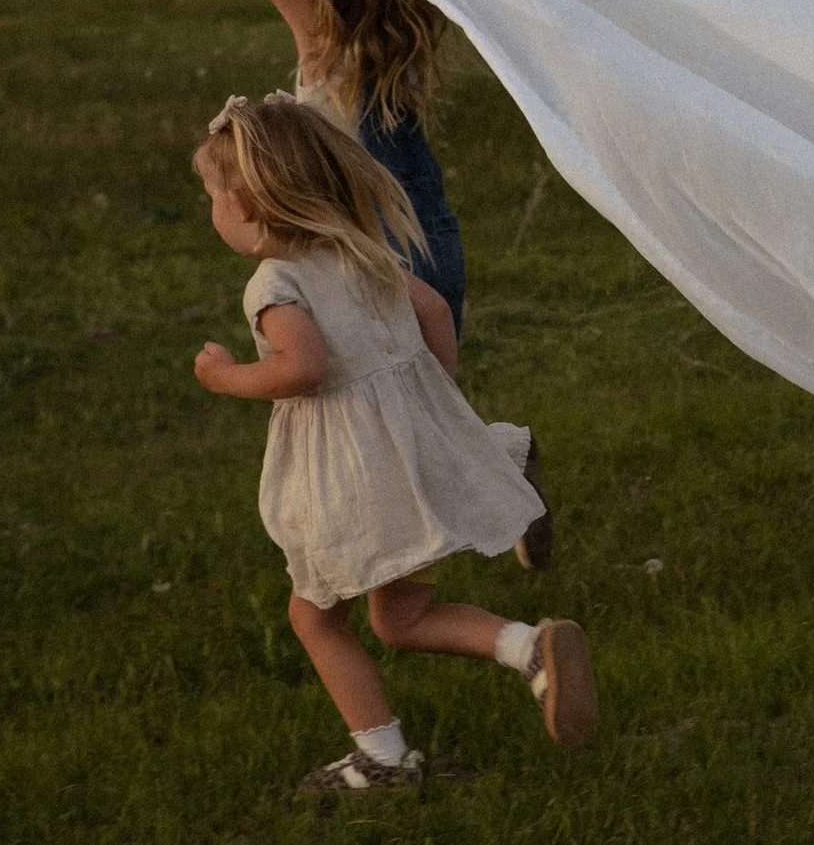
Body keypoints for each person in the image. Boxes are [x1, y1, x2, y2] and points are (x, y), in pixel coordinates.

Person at [139, 0, 555, 568]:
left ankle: (454, 505)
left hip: (373, 252)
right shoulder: (409, 36)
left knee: (383, 411)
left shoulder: (321, 44)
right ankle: (497, 466)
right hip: (434, 239)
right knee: (417, 402)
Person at [188, 93, 594, 792]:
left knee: (314, 618)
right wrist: (432, 406)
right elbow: (435, 311)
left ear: (245, 207)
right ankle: (530, 649)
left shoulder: (274, 283)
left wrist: (226, 378)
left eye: (212, 198)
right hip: (409, 460)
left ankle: (381, 758)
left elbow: (303, 368)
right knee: (402, 620)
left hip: (354, 482)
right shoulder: (361, 253)